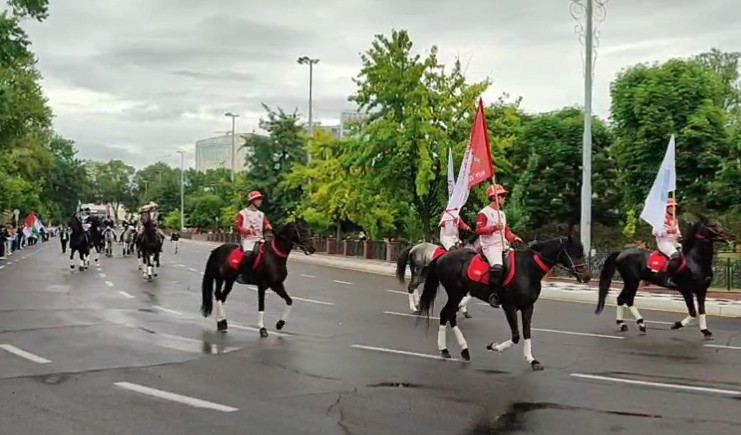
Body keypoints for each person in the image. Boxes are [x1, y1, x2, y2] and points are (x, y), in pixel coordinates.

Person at [475, 184, 523, 308]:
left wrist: (514, 237)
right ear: (495, 197)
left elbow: (506, 231)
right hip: (490, 246)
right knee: (498, 267)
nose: (504, 199)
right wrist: (494, 228)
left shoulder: (502, 214)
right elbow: (479, 230)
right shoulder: (484, 213)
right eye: (502, 196)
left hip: (503, 245)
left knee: (515, 264)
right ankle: (493, 294)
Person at [234, 191, 272, 272]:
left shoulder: (261, 214)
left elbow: (266, 223)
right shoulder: (242, 213)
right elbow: (238, 226)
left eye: (260, 199)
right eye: (258, 199)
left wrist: (268, 226)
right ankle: (243, 272)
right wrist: (249, 231)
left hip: (260, 239)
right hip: (248, 240)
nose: (260, 201)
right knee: (249, 254)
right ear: (252, 201)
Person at [654, 198, 682, 287]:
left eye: (674, 207)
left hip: (674, 242)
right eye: (671, 207)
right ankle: (669, 278)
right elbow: (655, 232)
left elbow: (677, 232)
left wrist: (679, 236)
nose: (673, 209)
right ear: (667, 208)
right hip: (664, 242)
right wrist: (668, 231)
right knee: (676, 256)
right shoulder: (660, 219)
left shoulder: (675, 219)